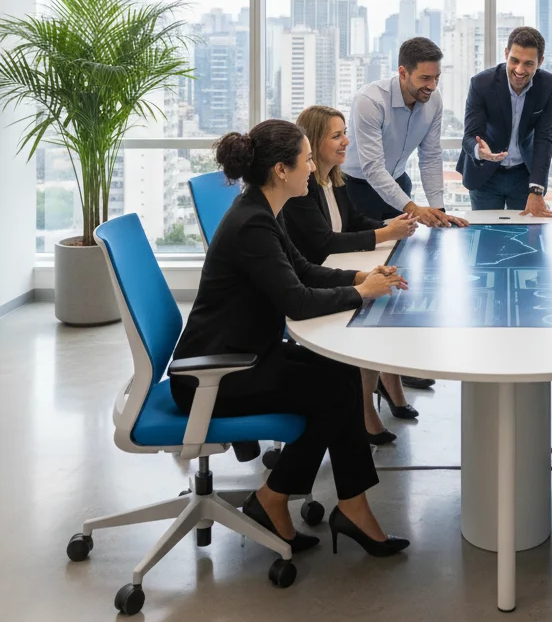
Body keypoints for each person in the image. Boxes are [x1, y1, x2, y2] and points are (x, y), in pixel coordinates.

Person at [170, 119, 410, 558]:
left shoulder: (261, 210)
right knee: (333, 394)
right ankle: (278, 497)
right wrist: (361, 293)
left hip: (246, 355)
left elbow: (303, 269)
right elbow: (297, 301)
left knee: (339, 374)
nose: (311, 168)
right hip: (217, 374)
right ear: (281, 170)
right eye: (306, 160)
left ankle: (341, 504)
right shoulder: (252, 225)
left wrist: (363, 276)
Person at [282, 105, 420, 446]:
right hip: (315, 280)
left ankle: (390, 381)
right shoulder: (302, 190)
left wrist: (393, 227)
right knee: (374, 307)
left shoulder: (334, 179)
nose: (347, 142)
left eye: (345, 133)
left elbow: (356, 222)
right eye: (337, 135)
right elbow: (323, 242)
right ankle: (366, 411)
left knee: (389, 292)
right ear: (314, 142)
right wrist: (385, 236)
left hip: (331, 271)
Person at [344, 36, 469, 231]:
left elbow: (430, 156)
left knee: (399, 251)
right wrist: (414, 209)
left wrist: (439, 211)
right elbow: (373, 169)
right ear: (403, 73)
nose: (433, 86)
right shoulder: (370, 101)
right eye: (425, 78)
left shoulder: (433, 99)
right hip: (357, 189)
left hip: (399, 183)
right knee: (364, 253)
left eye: (436, 77)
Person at [457, 26, 552, 215]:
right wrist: (480, 151)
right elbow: (470, 136)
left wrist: (536, 189)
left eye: (529, 63)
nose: (520, 70)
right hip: (486, 175)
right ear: (506, 54)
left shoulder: (548, 85)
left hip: (524, 175)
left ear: (540, 61)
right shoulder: (481, 84)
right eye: (514, 60)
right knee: (486, 237)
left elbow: (545, 138)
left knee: (524, 238)